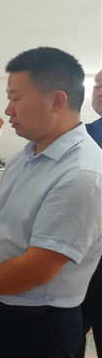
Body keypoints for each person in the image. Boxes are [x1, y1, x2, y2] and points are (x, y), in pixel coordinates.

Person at [0, 48, 102, 358]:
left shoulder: (83, 173)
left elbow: (38, 268)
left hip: (37, 326)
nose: (8, 110)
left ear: (56, 101)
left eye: (15, 98)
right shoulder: (26, 155)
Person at [79, 69, 102, 357]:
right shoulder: (83, 135)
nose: (100, 92)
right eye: (97, 86)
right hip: (81, 252)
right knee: (72, 332)